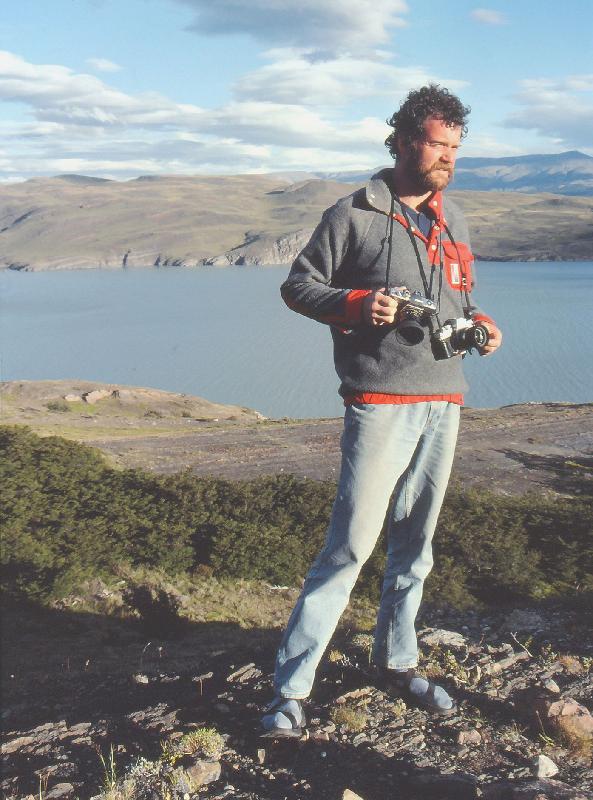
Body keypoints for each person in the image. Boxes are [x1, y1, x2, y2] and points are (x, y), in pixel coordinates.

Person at [261, 85, 502, 737]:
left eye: (455, 145)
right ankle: (289, 691)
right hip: (379, 403)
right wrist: (354, 304)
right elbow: (298, 285)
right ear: (400, 140)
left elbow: (456, 298)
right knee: (348, 548)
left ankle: (396, 662)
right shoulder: (355, 213)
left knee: (414, 546)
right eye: (435, 143)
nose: (447, 155)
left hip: (444, 400)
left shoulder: (454, 220)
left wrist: (478, 323)